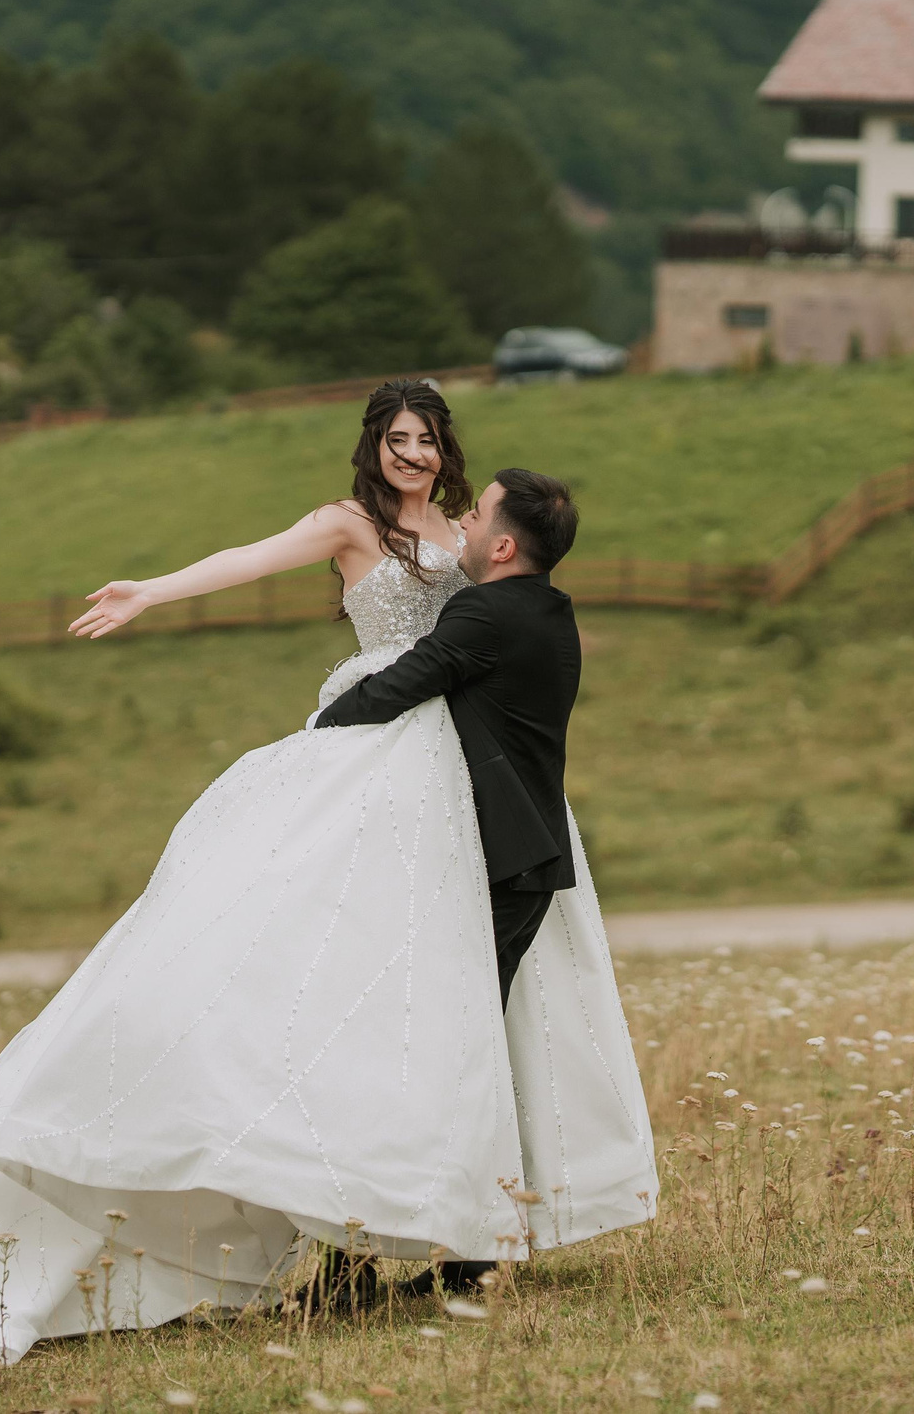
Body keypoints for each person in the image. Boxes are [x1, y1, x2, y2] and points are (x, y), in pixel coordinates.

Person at [0, 381, 657, 1383]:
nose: (412, 454)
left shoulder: (474, 543)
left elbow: (485, 645)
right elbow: (250, 559)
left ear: (452, 459)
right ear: (372, 447)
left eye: (426, 438)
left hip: (452, 778)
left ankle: (427, 1230)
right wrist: (152, 592)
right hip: (377, 748)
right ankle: (346, 1215)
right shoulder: (352, 525)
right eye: (396, 438)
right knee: (324, 976)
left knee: (434, 1009)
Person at [309, 466, 582, 1295]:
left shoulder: (483, 614)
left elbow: (398, 686)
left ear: (502, 546)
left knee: (422, 1052)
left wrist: (312, 740)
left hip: (494, 865)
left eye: (479, 513)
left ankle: (399, 1257)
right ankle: (444, 1252)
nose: (461, 520)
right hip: (523, 862)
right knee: (455, 1052)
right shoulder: (550, 609)